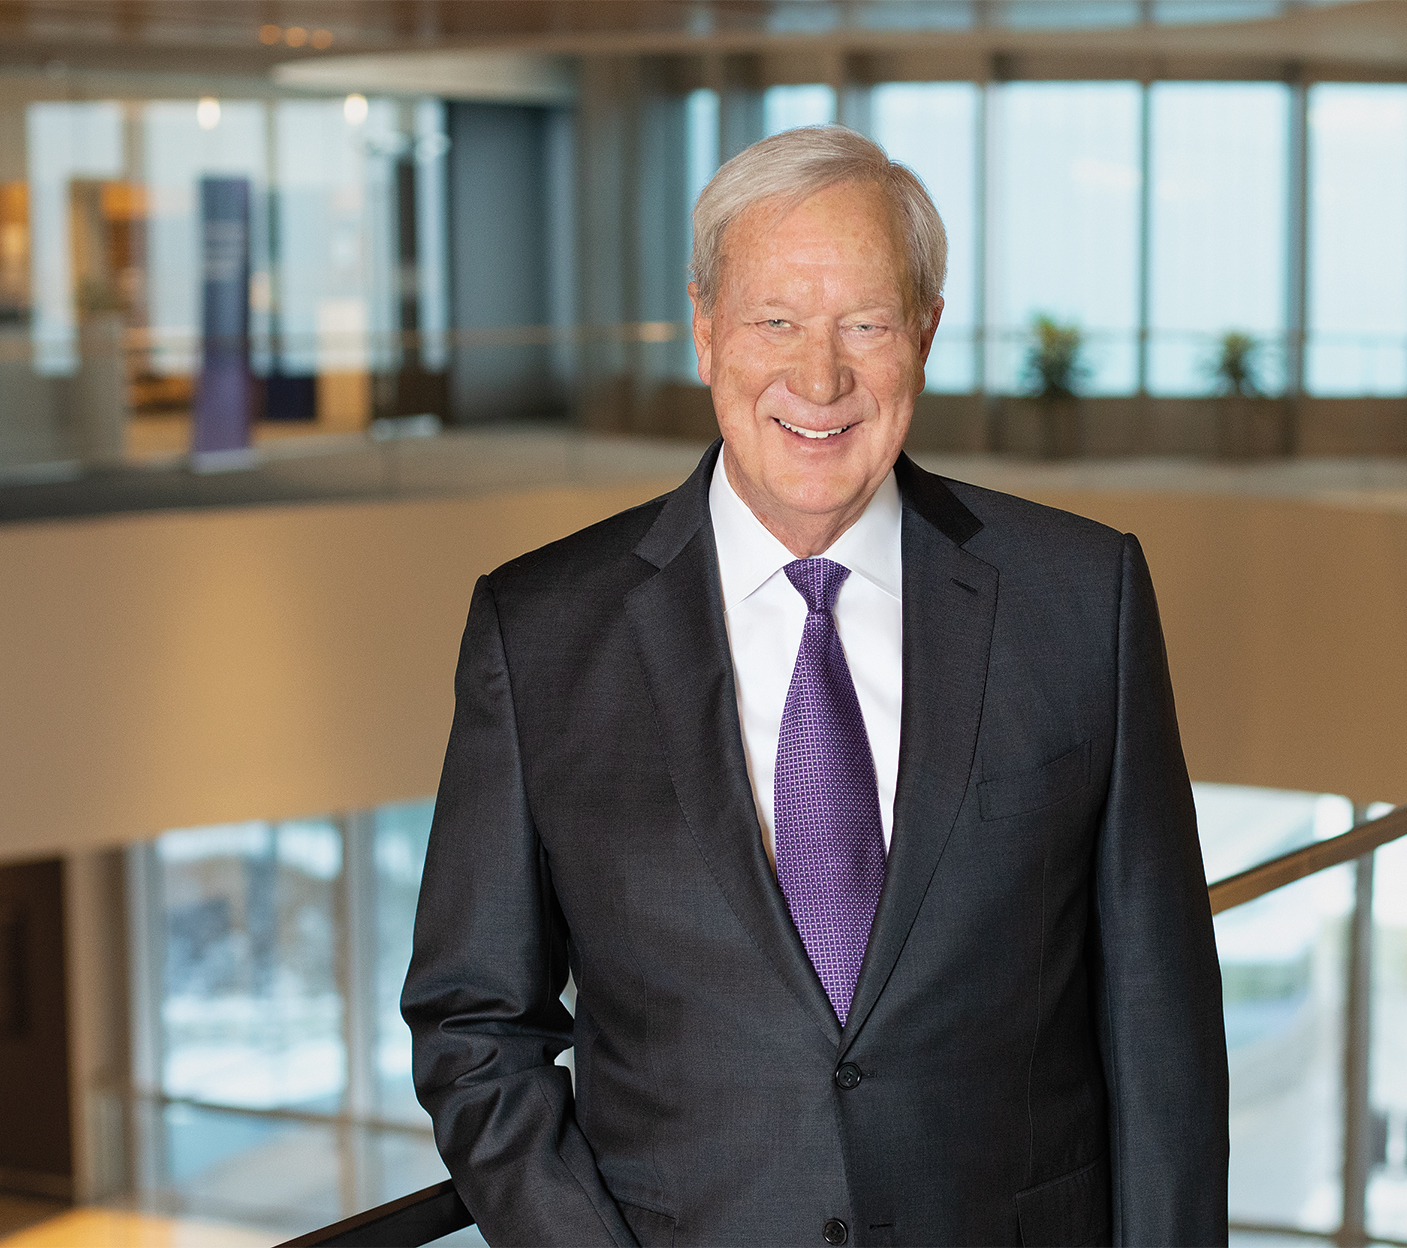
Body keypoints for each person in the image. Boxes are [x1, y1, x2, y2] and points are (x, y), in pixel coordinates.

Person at [402, 124, 1228, 1247]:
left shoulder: (1085, 599)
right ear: (703, 329)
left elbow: (1160, 1023)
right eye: (775, 320)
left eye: (865, 325)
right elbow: (473, 1023)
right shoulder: (543, 631)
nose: (820, 377)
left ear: (925, 334)